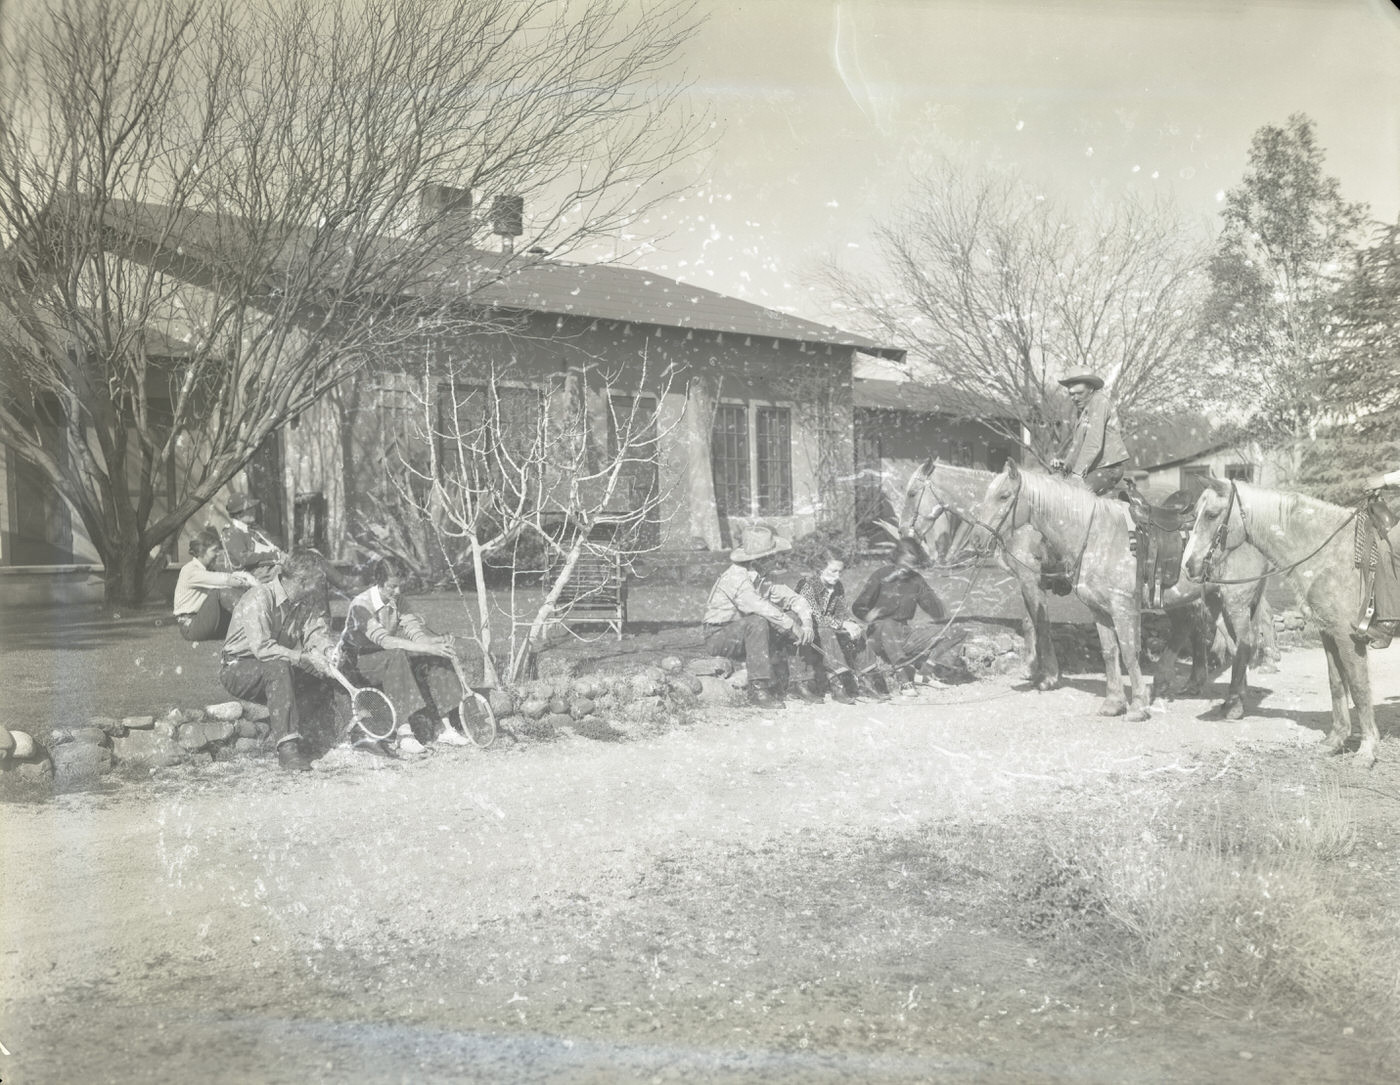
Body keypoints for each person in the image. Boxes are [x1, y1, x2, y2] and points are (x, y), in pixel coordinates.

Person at [219, 549, 339, 772]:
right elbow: (262, 648)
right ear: (303, 581)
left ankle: (318, 737)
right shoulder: (259, 597)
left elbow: (315, 633)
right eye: (319, 581)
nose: (322, 587)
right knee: (279, 667)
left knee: (319, 677)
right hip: (238, 667)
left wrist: (328, 650)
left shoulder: (305, 601)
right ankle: (287, 749)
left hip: (275, 662)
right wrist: (302, 657)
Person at [339, 557, 471, 753]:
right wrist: (426, 647)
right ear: (379, 581)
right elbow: (385, 641)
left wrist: (436, 644)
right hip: (356, 662)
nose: (398, 591)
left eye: (399, 586)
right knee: (397, 654)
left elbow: (416, 633)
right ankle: (404, 733)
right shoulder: (362, 604)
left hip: (386, 656)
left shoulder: (398, 601)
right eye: (392, 586)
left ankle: (444, 728)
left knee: (435, 656)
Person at [702, 524, 814, 708]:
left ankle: (798, 682)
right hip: (719, 636)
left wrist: (807, 623)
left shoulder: (760, 576)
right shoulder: (737, 578)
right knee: (761, 621)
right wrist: (792, 626)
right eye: (772, 556)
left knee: (788, 617)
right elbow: (761, 608)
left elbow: (794, 599)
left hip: (744, 633)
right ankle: (758, 688)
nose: (776, 560)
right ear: (759, 559)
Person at [851, 537, 965, 696]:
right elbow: (858, 606)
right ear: (896, 558)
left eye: (912, 564)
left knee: (956, 630)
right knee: (888, 624)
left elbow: (937, 612)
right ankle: (903, 679)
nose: (907, 568)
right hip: (878, 634)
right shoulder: (881, 575)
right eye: (904, 564)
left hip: (904, 633)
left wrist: (928, 595)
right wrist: (868, 615)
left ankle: (925, 673)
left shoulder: (916, 580)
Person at [793, 548, 884, 703]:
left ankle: (867, 680)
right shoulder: (807, 585)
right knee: (826, 631)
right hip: (805, 631)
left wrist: (851, 624)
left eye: (840, 572)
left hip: (826, 628)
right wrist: (842, 623)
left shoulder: (837, 586)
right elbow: (816, 617)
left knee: (857, 629)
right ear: (820, 569)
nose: (837, 576)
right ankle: (837, 684)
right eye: (833, 571)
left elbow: (842, 613)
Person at [1050, 370, 1129, 496]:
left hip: (1108, 469)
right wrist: (1065, 465)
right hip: (1093, 469)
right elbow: (1077, 446)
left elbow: (1093, 443)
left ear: (1091, 388)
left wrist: (1077, 473)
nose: (1075, 398)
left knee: (1073, 496)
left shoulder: (1099, 402)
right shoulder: (1081, 411)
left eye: (1080, 393)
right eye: (1071, 394)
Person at [171, 528, 258, 641]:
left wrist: (247, 581)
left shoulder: (208, 569)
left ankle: (261, 621)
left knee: (231, 590)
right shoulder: (189, 570)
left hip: (205, 620)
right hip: (190, 626)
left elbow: (230, 576)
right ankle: (256, 622)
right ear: (201, 551)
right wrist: (248, 582)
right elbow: (225, 579)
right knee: (220, 593)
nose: (217, 554)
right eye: (214, 550)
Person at [222, 494, 284, 576]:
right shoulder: (232, 533)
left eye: (252, 508)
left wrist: (278, 552)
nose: (253, 511)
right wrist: (272, 555)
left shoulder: (250, 528)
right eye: (249, 509)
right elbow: (245, 559)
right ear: (239, 514)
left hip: (268, 566)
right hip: (252, 574)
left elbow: (268, 543)